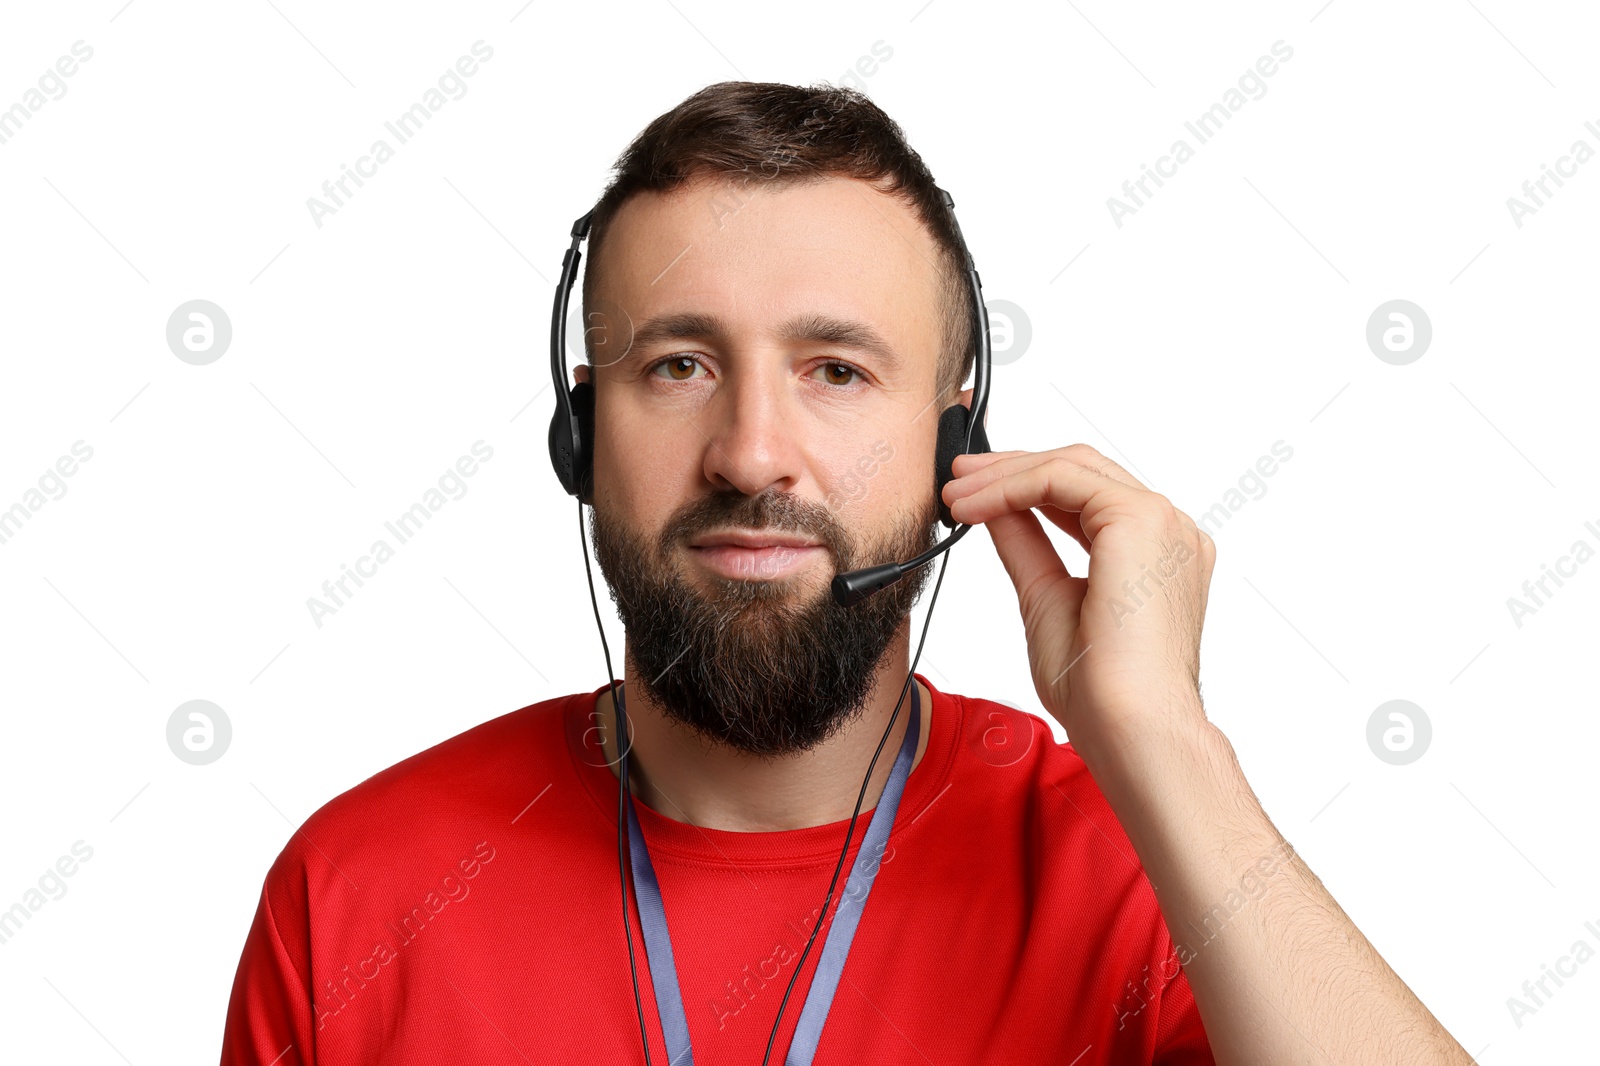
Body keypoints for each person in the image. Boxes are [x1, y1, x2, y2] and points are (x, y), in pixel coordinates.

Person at [219, 81, 1471, 1065]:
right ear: (578, 434)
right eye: (677, 365)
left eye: (835, 370)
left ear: (954, 442)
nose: (753, 452)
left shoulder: (1154, 872)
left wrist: (1164, 738)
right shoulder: (357, 892)